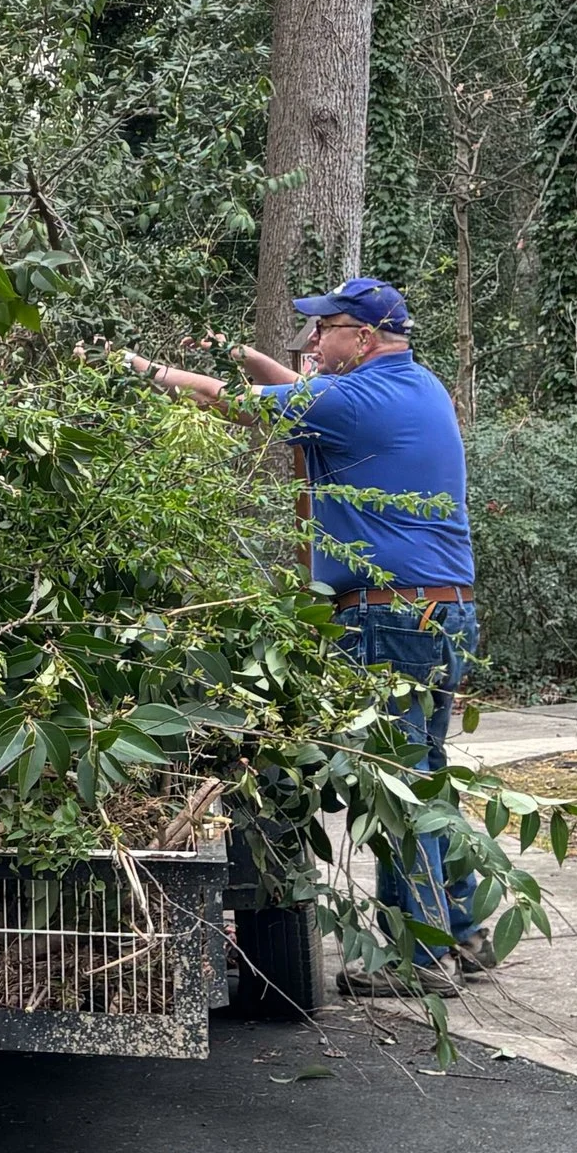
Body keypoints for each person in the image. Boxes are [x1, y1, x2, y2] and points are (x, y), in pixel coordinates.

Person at [117, 277, 487, 999]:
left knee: (393, 784)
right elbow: (301, 397)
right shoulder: (416, 387)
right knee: (426, 773)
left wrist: (139, 371)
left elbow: (225, 404)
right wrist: (244, 352)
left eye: (327, 329)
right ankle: (464, 928)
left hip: (388, 619)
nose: (314, 341)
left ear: (366, 337)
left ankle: (420, 955)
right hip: (443, 614)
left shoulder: (351, 400)